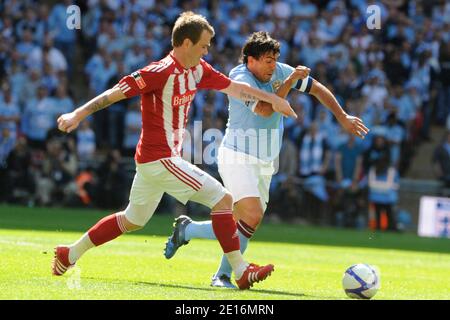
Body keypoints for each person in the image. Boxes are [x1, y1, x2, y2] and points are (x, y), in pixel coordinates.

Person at [52, 12, 297, 290]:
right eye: (204, 45)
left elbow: (236, 89)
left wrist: (273, 100)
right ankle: (240, 270)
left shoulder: (198, 69)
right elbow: (114, 93)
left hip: (155, 161)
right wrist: (77, 114)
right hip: (159, 158)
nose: (207, 50)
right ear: (186, 43)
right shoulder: (159, 72)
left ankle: (68, 253)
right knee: (223, 199)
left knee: (132, 219)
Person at [163, 31, 369, 288]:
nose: (273, 65)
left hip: (265, 162)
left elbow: (316, 89)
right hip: (237, 155)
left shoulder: (280, 71)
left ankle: (188, 231)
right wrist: (290, 81)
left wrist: (342, 116)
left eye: (275, 60)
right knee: (252, 214)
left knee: (243, 222)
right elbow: (263, 110)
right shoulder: (240, 78)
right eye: (268, 60)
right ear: (251, 60)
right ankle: (224, 276)